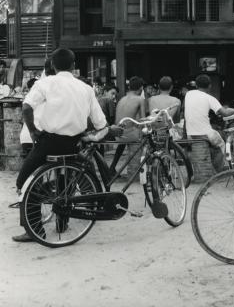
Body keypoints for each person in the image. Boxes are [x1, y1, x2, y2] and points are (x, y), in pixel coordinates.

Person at [12, 48, 111, 242]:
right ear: (74, 66)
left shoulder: (45, 83)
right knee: (66, 179)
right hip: (74, 144)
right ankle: (63, 222)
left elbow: (26, 107)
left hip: (49, 143)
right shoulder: (86, 88)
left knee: (23, 181)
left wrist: (33, 131)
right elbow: (101, 124)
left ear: (53, 65)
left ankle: (34, 229)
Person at [184, 74, 234, 172]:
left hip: (190, 134)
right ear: (209, 86)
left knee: (214, 141)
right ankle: (219, 170)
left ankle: (211, 164)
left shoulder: (189, 94)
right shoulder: (210, 98)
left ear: (196, 85)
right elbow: (225, 113)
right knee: (221, 144)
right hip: (205, 134)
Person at [110, 76, 146, 176]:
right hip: (130, 135)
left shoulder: (122, 99)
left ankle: (113, 166)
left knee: (126, 134)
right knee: (145, 136)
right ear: (141, 88)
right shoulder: (140, 99)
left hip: (118, 135)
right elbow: (143, 120)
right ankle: (137, 170)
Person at [19, 78, 38, 156]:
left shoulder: (27, 99)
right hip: (37, 139)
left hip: (24, 139)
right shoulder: (43, 98)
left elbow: (22, 118)